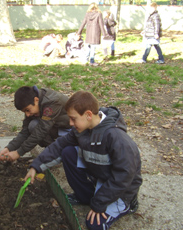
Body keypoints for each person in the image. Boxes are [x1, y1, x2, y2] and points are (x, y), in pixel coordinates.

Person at [24, 91, 142, 230]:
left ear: (88, 115)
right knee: (68, 152)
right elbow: (60, 145)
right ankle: (84, 197)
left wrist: (99, 203)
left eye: (73, 119)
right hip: (102, 174)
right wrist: (36, 166)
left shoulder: (116, 137)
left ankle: (128, 204)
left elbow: (124, 175)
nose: (70, 123)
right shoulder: (83, 129)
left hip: (122, 188)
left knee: (94, 225)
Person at [0, 86, 70, 162]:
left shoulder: (51, 102)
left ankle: (56, 153)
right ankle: (54, 153)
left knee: (36, 127)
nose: (27, 115)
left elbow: (42, 130)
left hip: (70, 129)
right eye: (24, 112)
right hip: (56, 126)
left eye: (27, 110)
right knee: (32, 125)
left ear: (36, 100)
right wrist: (9, 148)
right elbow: (25, 131)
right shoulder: (32, 104)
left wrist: (19, 152)